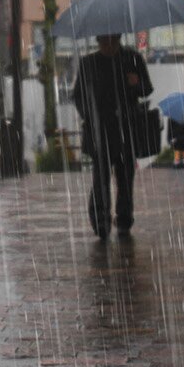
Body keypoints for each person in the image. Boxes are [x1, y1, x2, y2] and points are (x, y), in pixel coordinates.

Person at [70, 33, 154, 241]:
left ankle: (124, 219)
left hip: (127, 127)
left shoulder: (132, 58)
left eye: (113, 42)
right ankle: (101, 221)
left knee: (126, 177)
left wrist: (136, 83)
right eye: (104, 42)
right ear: (98, 42)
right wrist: (90, 116)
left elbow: (147, 89)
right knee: (101, 177)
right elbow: (78, 95)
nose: (109, 46)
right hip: (101, 131)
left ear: (119, 39)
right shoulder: (89, 63)